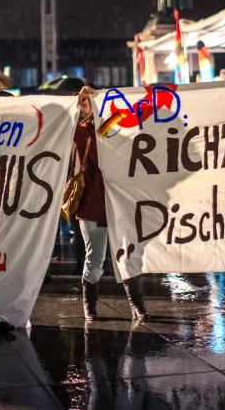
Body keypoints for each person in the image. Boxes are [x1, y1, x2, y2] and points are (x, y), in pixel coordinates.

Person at [74, 86, 148, 321]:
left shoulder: (110, 127)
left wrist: (103, 97)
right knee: (95, 257)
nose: (86, 104)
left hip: (118, 202)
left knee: (128, 255)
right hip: (91, 202)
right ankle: (90, 304)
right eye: (82, 101)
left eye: (89, 100)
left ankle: (137, 305)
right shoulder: (74, 130)